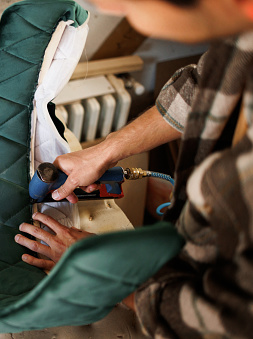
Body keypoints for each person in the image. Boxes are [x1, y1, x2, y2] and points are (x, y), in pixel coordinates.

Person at [15, 0, 253, 337]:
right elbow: (200, 88)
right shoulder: (242, 40)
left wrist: (107, 275)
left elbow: (227, 319)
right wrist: (105, 152)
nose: (109, 7)